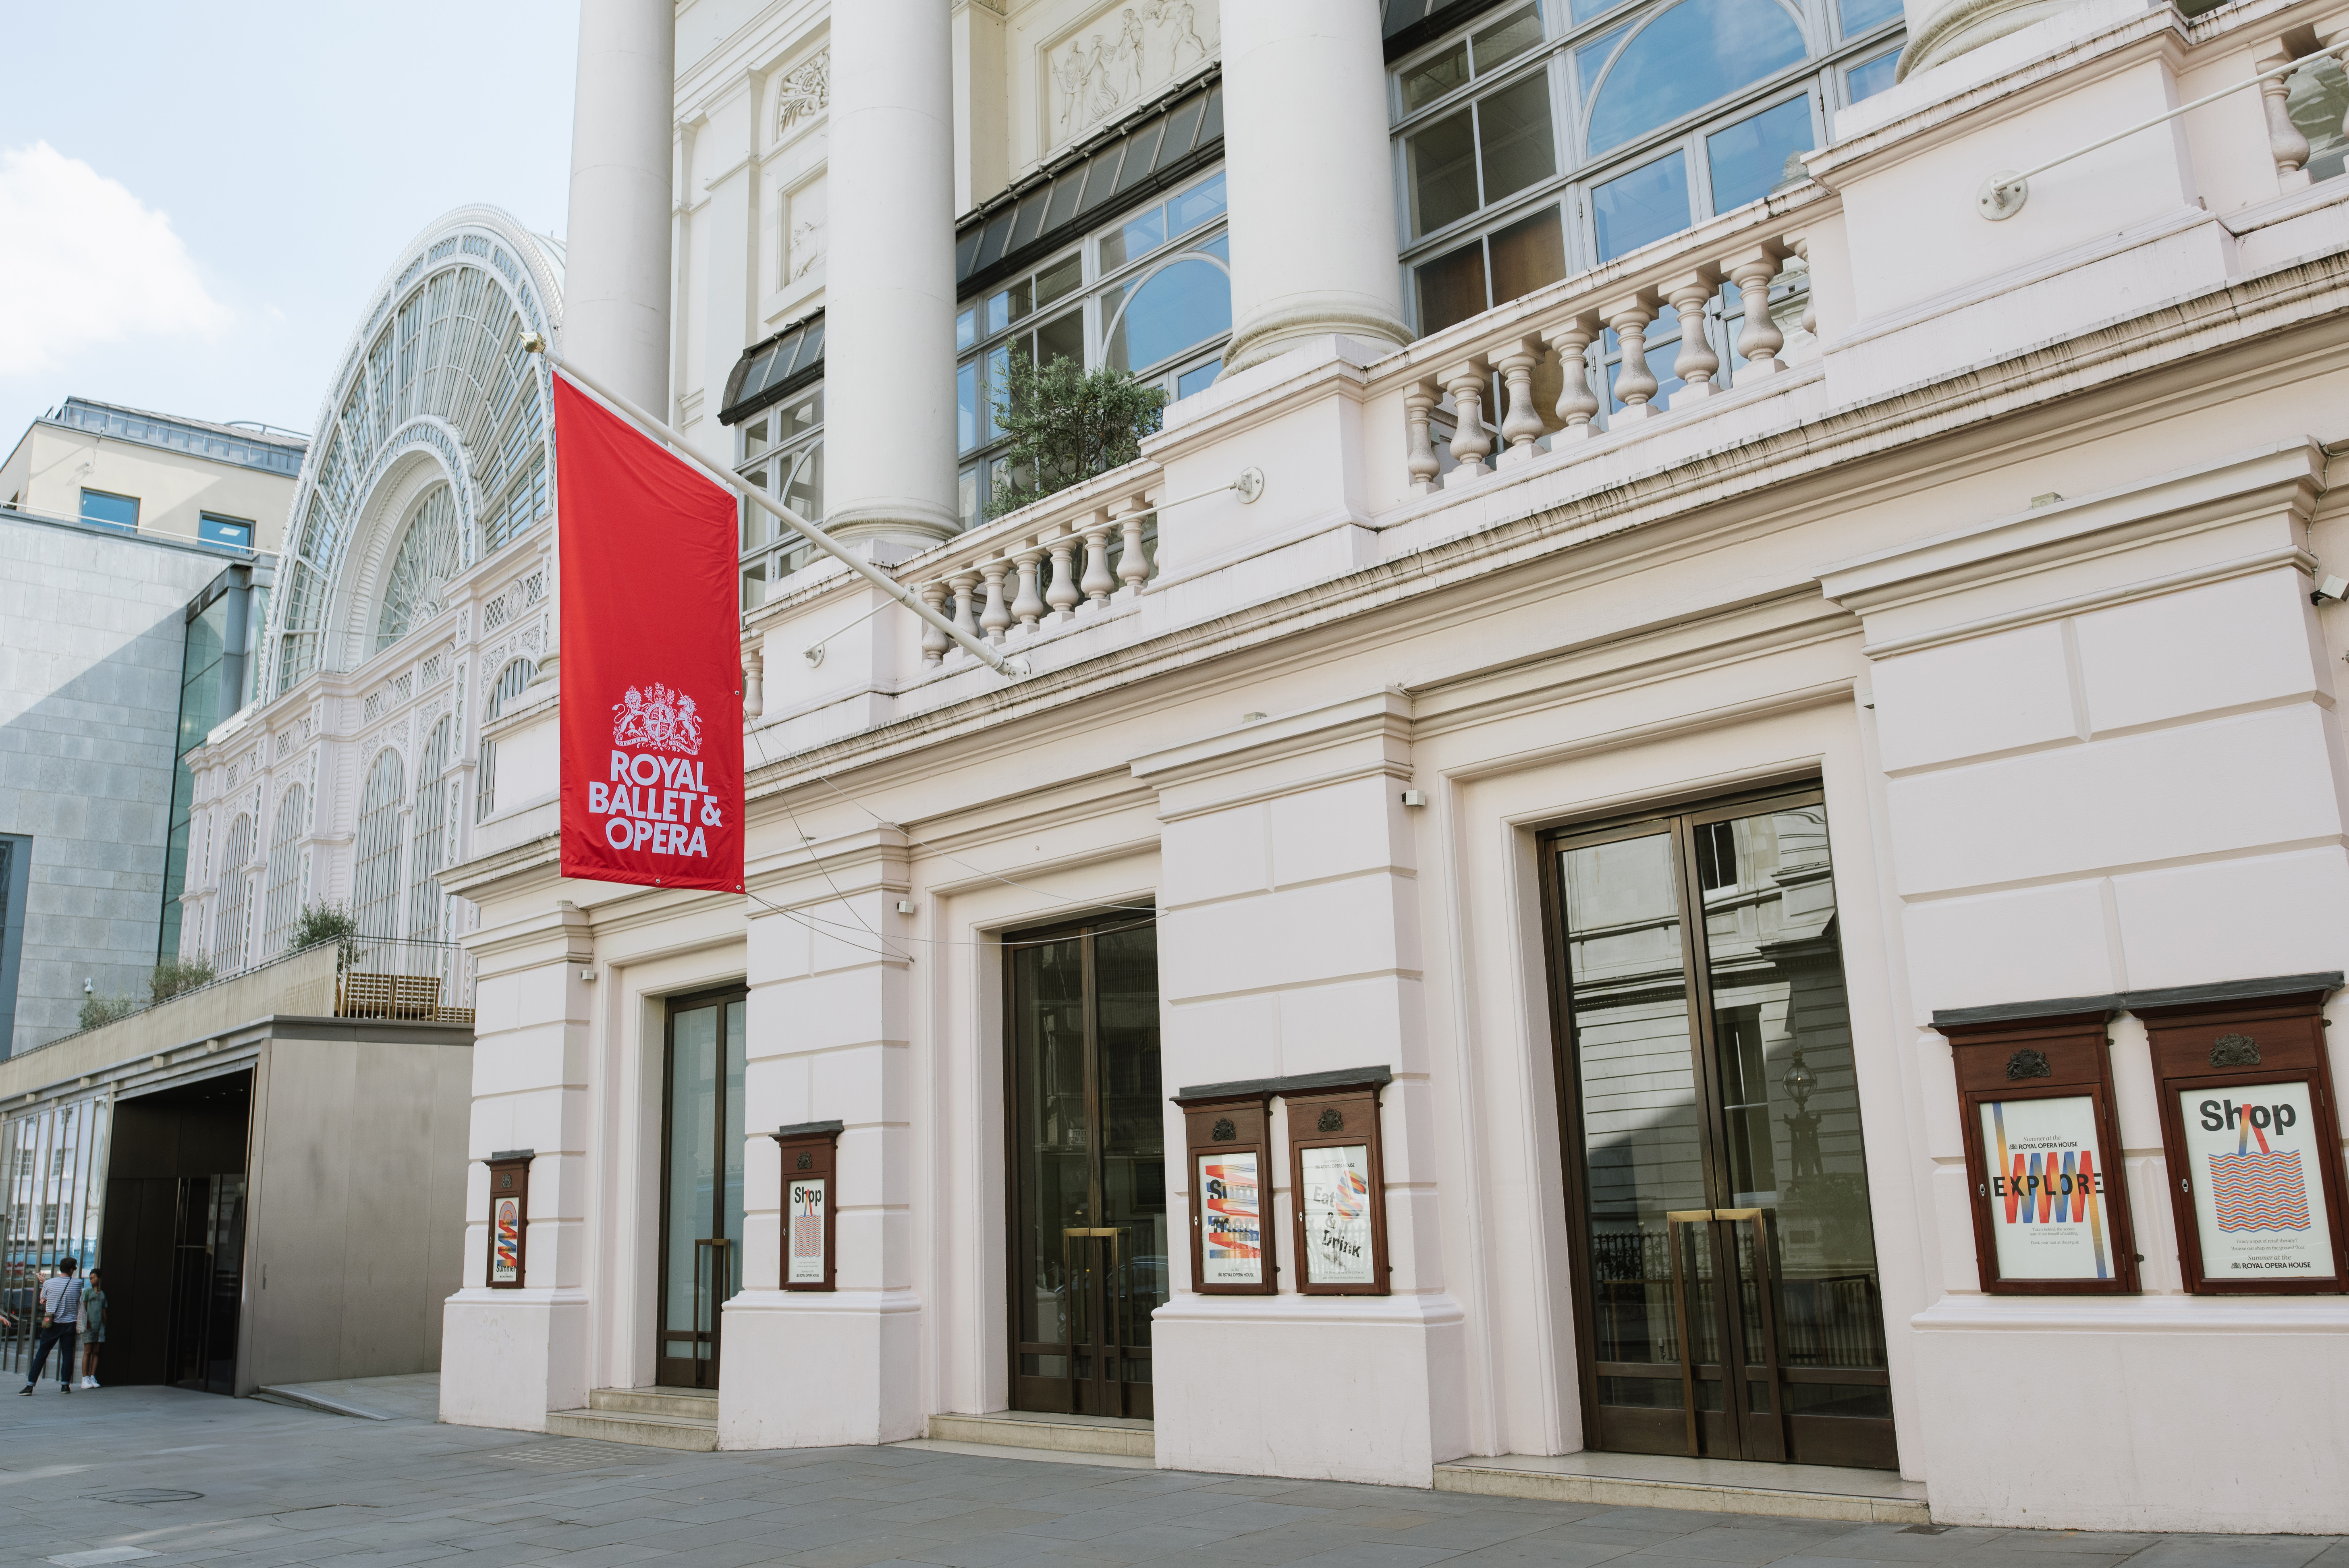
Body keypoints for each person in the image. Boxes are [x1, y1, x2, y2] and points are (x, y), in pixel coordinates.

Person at [20, 1258, 82, 1396]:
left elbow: (43, 1301)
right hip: (70, 1325)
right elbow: (76, 1298)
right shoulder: (78, 1283)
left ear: (60, 1269)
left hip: (52, 1324)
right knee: (67, 1356)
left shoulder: (49, 1283)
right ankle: (65, 1386)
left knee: (41, 1355)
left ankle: (30, 1386)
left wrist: (44, 1282)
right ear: (72, 1270)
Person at [76, 1269, 106, 1389]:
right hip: (89, 1326)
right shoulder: (88, 1291)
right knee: (88, 1350)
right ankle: (85, 1378)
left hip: (100, 1327)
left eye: (93, 1277)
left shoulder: (102, 1294)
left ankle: (92, 1376)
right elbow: (83, 1308)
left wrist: (105, 1325)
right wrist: (85, 1322)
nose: (91, 1280)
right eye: (90, 1278)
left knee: (96, 1351)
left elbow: (104, 1312)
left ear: (99, 1278)